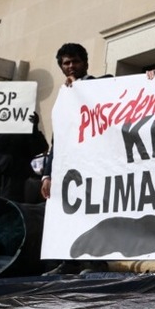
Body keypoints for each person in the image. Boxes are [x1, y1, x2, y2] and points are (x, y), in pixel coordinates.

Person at [40, 43, 97, 200]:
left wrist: (78, 87)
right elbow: (57, 139)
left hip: (92, 164)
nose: (71, 66)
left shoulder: (99, 84)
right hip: (66, 169)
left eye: (75, 61)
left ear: (85, 63)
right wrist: (47, 175)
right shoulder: (64, 95)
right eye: (66, 63)